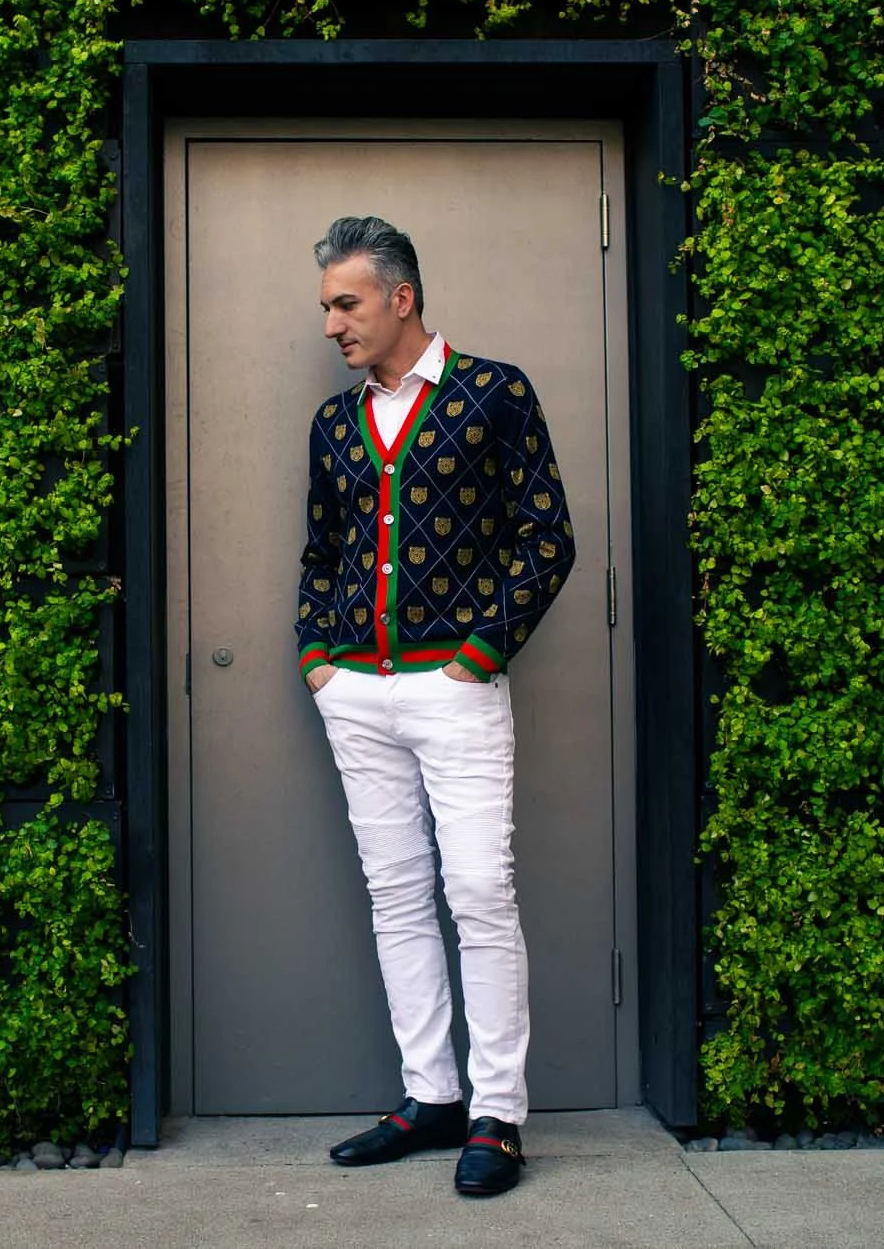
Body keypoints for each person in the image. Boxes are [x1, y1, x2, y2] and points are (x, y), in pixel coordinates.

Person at [295, 214, 575, 1197]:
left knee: (477, 894)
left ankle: (497, 1114)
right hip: (355, 694)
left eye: (345, 303)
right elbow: (321, 552)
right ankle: (431, 1096)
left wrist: (478, 653)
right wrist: (317, 657)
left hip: (455, 690)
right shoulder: (335, 423)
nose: (330, 323)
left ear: (399, 298)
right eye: (327, 305)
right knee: (395, 894)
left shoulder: (493, 393)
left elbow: (545, 537)